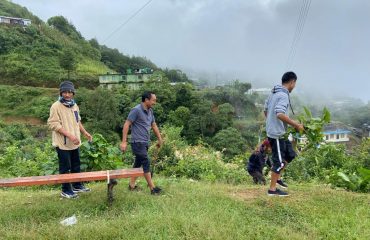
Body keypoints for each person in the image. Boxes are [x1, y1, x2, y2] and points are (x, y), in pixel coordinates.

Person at [47, 81, 92, 199]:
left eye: (69, 92)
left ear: (73, 93)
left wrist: (85, 132)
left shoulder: (74, 105)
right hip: (62, 143)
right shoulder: (56, 106)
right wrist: (69, 135)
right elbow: (53, 124)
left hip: (75, 141)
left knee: (76, 165)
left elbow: (78, 121)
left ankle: (77, 185)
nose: (67, 95)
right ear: (61, 93)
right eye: (64, 92)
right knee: (65, 166)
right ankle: (66, 190)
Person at [264, 71, 304, 196]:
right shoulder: (283, 95)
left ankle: (278, 177)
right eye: (295, 83)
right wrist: (296, 125)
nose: (294, 86)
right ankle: (272, 190)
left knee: (290, 154)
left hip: (278, 132)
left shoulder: (273, 93)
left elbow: (265, 110)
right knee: (279, 162)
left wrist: (271, 123)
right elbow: (279, 113)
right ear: (292, 82)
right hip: (276, 134)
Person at [120, 91, 163, 195]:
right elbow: (126, 124)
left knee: (138, 163)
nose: (154, 103)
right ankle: (152, 188)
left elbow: (154, 125)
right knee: (145, 161)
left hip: (145, 142)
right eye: (153, 100)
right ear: (146, 100)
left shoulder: (150, 111)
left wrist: (160, 139)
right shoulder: (136, 110)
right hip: (137, 142)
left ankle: (131, 185)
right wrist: (124, 142)